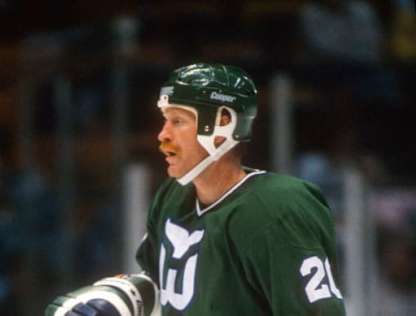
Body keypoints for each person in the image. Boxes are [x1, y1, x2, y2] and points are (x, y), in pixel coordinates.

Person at [45, 63, 346, 315]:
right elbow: (166, 284)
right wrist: (118, 298)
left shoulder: (277, 208)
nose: (162, 136)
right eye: (165, 121)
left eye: (178, 121)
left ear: (223, 123)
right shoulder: (173, 197)